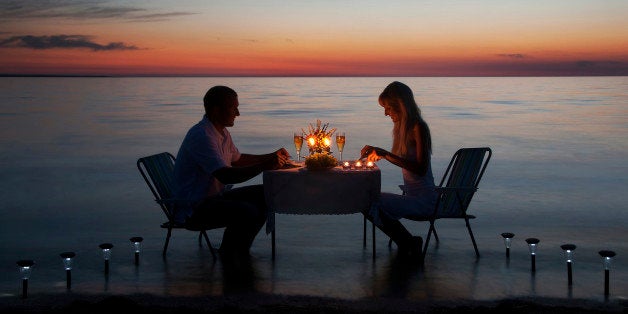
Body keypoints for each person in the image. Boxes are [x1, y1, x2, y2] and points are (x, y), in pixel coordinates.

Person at [173, 85, 290, 259]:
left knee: (266, 193)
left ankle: (238, 250)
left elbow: (237, 159)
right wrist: (265, 165)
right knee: (247, 211)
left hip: (213, 197)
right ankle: (230, 254)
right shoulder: (202, 136)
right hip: (194, 206)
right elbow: (225, 175)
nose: (238, 113)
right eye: (233, 108)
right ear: (216, 110)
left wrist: (271, 156)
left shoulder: (221, 132)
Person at [360, 81, 437, 260]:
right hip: (411, 197)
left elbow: (420, 168)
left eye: (388, 108)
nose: (386, 113)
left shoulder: (419, 128)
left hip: (424, 202)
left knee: (368, 201)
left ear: (399, 106)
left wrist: (385, 154)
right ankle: (407, 242)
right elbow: (406, 163)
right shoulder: (404, 129)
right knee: (365, 199)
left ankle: (408, 242)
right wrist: (383, 154)